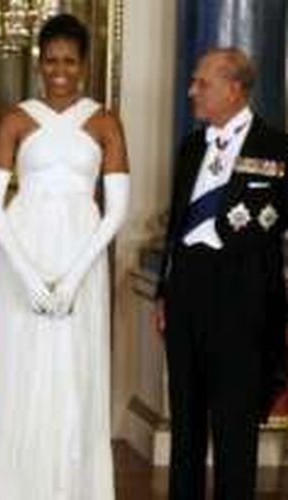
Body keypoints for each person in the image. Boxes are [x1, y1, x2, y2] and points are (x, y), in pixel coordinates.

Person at [0, 14, 130, 499]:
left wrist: (74, 277)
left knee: (72, 375)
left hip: (81, 258)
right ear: (39, 63)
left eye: (69, 61)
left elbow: (117, 210)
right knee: (18, 374)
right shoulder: (16, 118)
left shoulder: (105, 120)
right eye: (51, 60)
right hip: (22, 258)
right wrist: (29, 275)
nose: (59, 70)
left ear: (83, 65)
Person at [155, 48, 287, 500]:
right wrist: (163, 295)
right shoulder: (191, 147)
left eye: (202, 83)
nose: (192, 91)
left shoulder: (277, 148)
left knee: (234, 429)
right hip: (187, 292)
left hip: (242, 298)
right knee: (185, 424)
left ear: (234, 88)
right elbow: (176, 226)